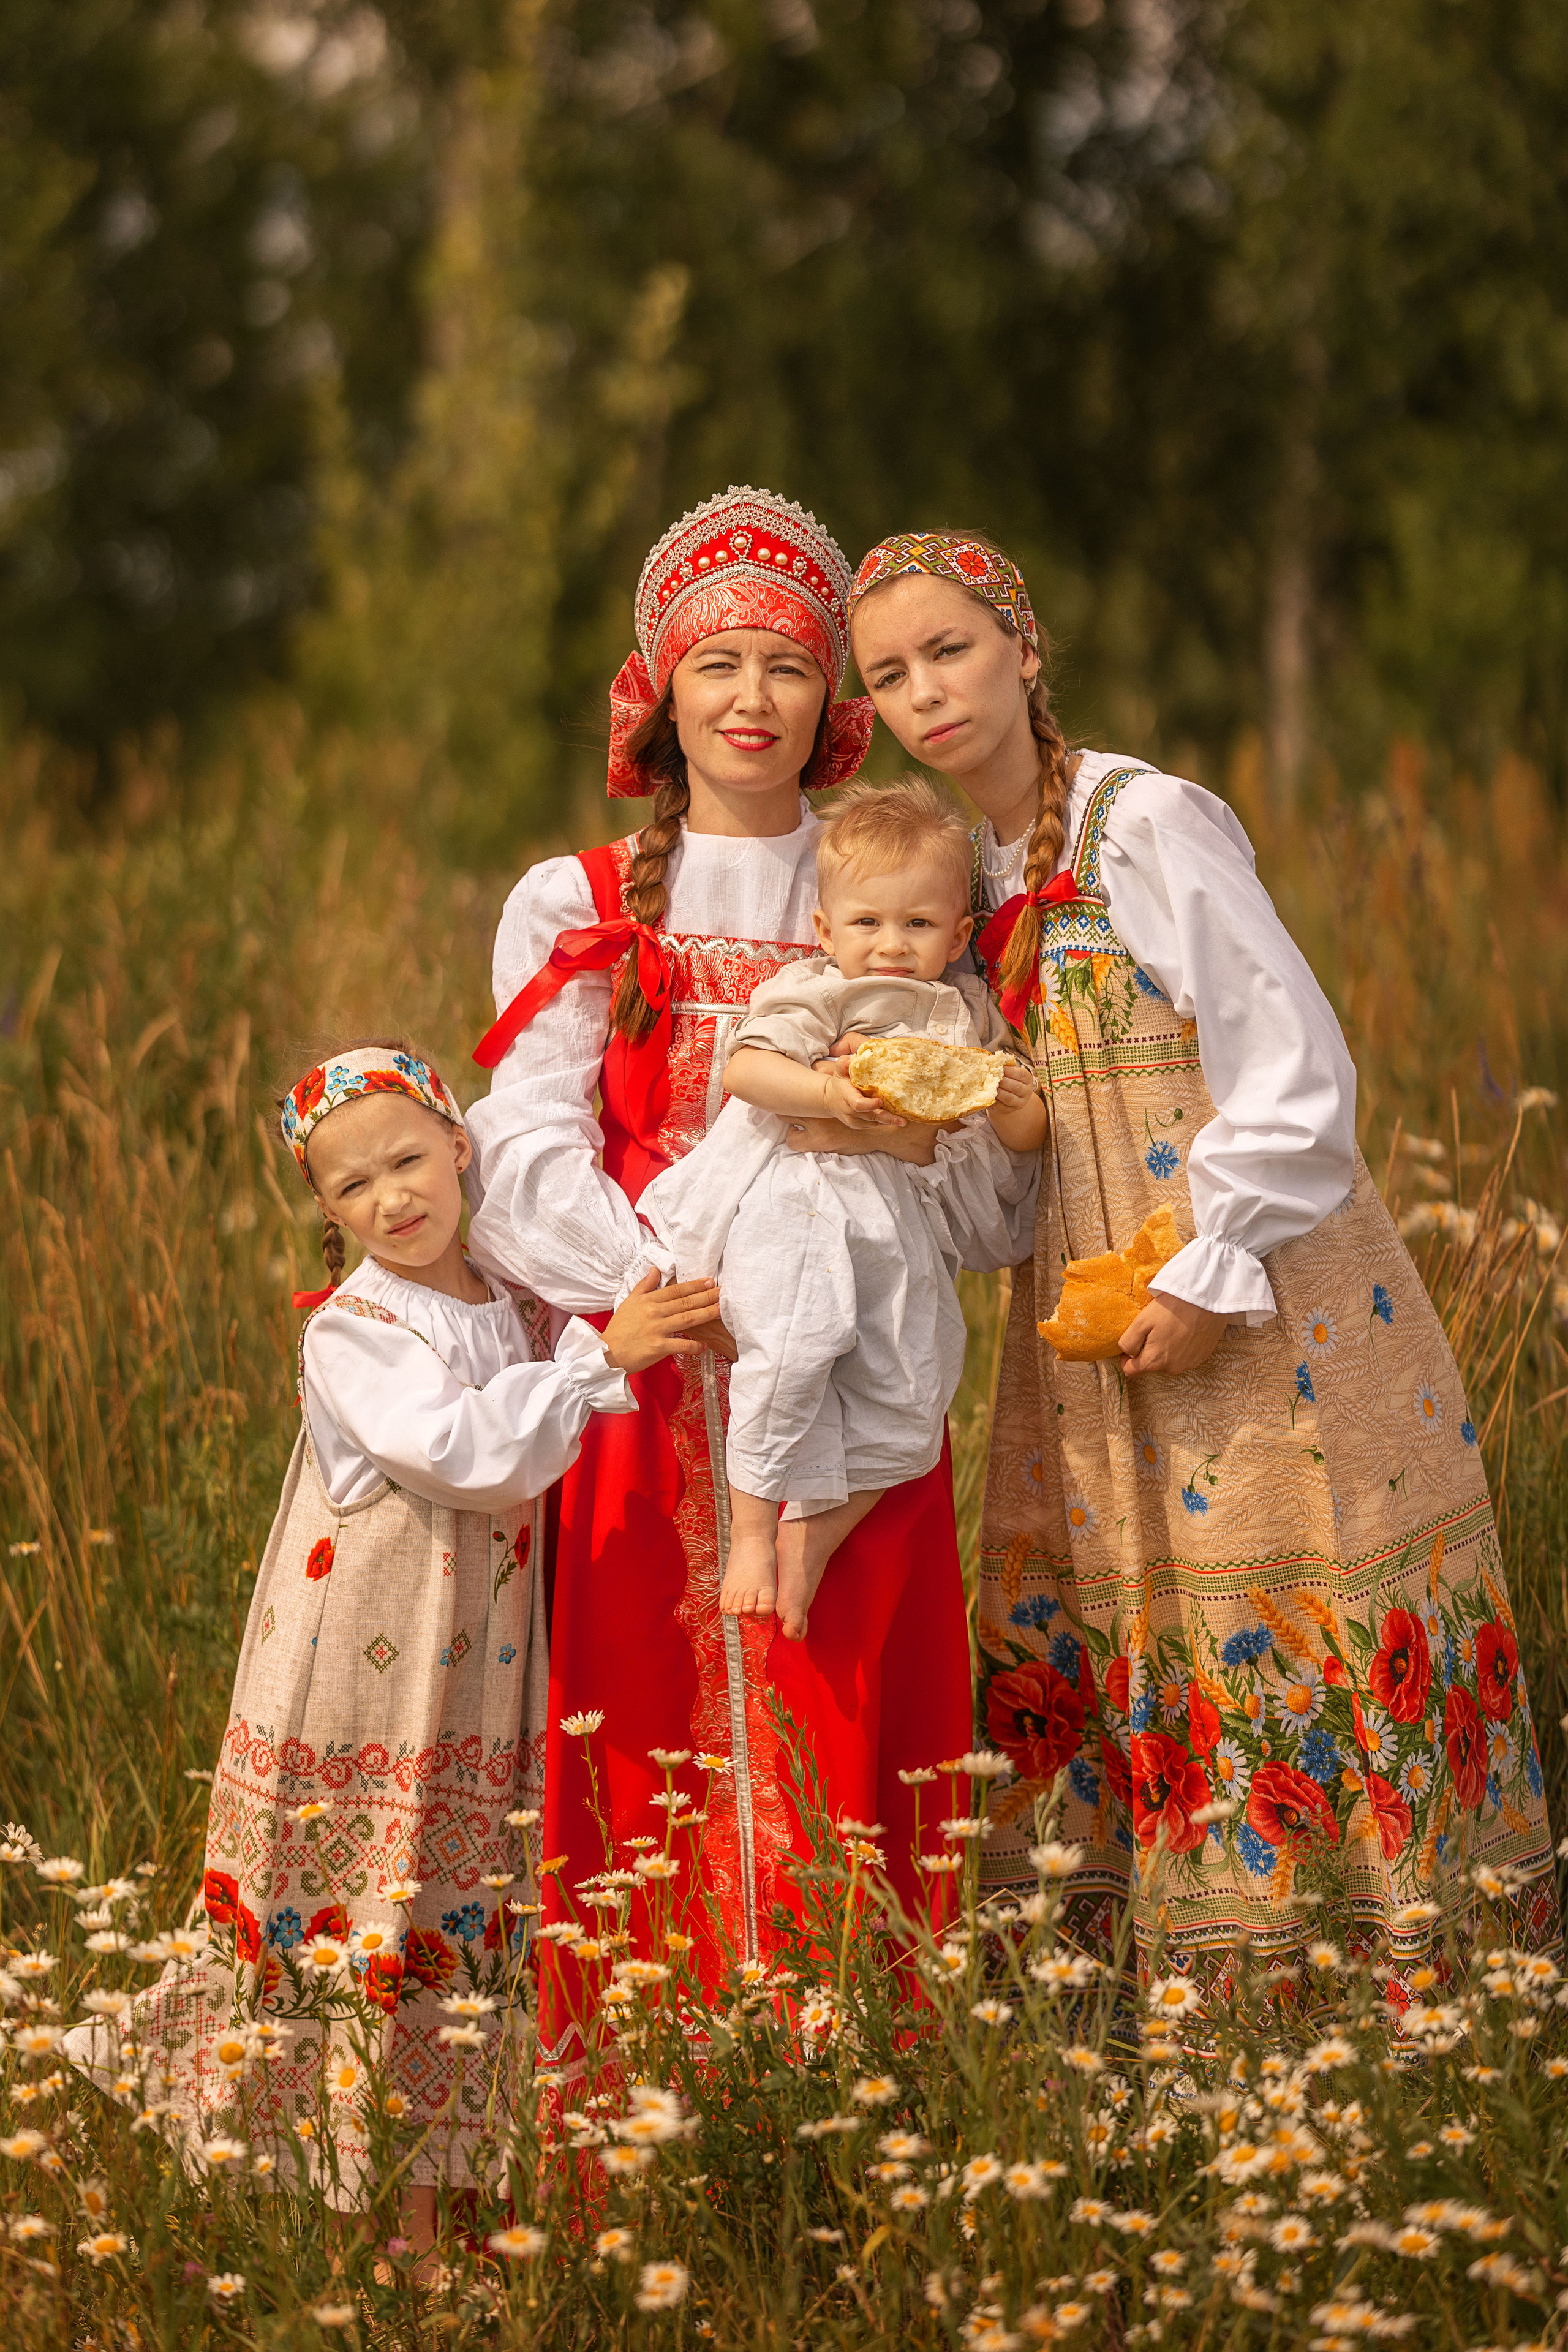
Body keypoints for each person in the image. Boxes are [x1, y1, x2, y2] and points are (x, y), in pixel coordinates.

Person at [844, 529, 1559, 1986]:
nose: (925, 692)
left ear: (1022, 649)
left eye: (949, 650)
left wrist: (1206, 1268)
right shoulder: (959, 878)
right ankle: (1157, 1985)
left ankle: (1370, 1980)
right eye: (890, 675)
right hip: (1089, 1315)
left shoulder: (1141, 822)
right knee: (1131, 1599)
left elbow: (1290, 1066)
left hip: (1254, 1288)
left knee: (1283, 1578)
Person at [465, 488, 976, 2053]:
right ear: (660, 694)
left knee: (843, 1712)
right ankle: (649, 2112)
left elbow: (964, 1121)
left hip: (858, 1360)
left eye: (787, 665)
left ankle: (853, 2104)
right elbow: (522, 1144)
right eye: (717, 664)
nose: (751, 697)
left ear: (832, 704)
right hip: (655, 1349)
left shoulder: (892, 876)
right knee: (645, 1728)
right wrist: (677, 1281)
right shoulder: (579, 899)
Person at [66, 1041, 716, 2222]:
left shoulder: (511, 1299)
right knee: (365, 1883)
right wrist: (594, 1360)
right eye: (353, 1186)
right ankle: (342, 2192)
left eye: (408, 1162)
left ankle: (432, 2203)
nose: (391, 1199)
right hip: (368, 1654)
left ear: (461, 1147)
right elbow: (465, 1453)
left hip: (475, 1660)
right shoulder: (354, 1328)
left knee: (447, 1898)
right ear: (326, 1210)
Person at [638, 775, 1044, 1638]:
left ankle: (814, 1532)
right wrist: (829, 1094)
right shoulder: (819, 991)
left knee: (917, 1386)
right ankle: (754, 1533)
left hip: (903, 1225)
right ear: (826, 930)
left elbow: (1021, 1135)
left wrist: (1014, 1106)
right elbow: (748, 1069)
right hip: (805, 1204)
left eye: (919, 924)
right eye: (867, 923)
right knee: (790, 1352)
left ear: (958, 935)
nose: (891, 945)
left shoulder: (969, 1013)